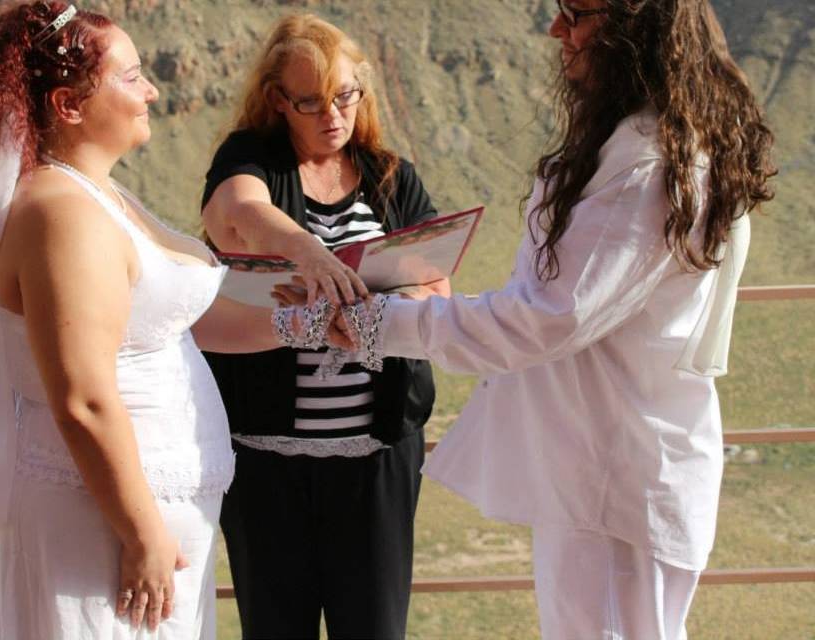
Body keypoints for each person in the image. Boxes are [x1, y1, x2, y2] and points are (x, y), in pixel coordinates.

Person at [323, 0, 776, 638]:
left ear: (637, 26)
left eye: (577, 13)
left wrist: (382, 324)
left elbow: (543, 320)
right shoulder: (645, 145)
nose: (556, 29)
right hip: (600, 472)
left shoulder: (649, 167)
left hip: (616, 488)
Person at [0, 3, 285, 638]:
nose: (151, 89)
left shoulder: (98, 193)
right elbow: (84, 399)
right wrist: (143, 533)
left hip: (154, 511)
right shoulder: (61, 215)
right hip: (104, 522)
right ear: (68, 105)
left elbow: (183, 321)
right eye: (131, 76)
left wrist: (315, 325)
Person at [200, 14, 449, 640]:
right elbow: (238, 212)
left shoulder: (392, 177)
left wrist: (375, 311)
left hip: (376, 461)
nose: (331, 114)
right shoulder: (249, 158)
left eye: (345, 95)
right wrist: (309, 253)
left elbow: (436, 281)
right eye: (310, 101)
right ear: (278, 100)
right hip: (266, 465)